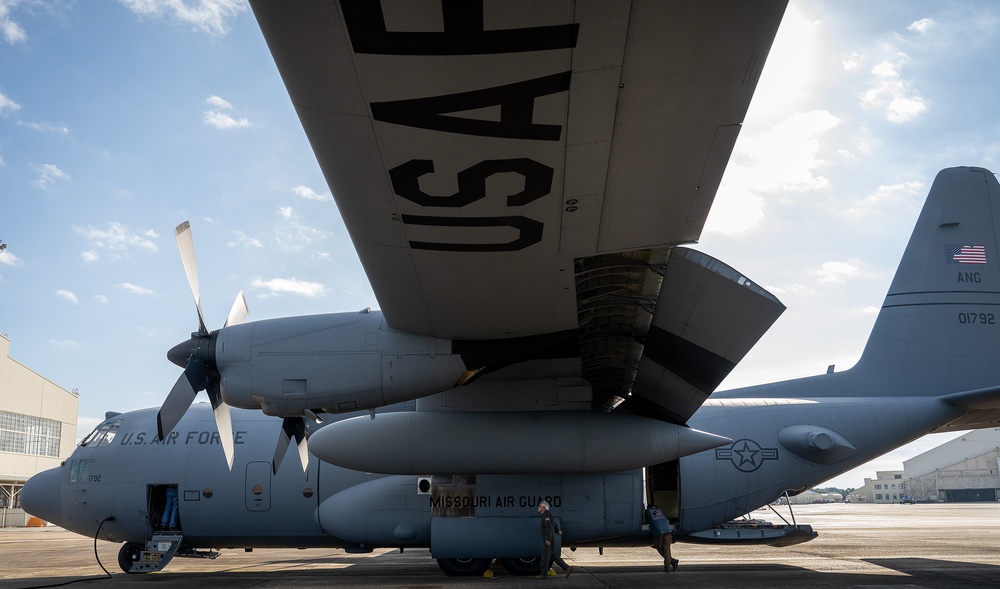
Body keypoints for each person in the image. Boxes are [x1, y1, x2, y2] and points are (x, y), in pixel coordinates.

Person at [537, 500, 572, 578]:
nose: (538, 507)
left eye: (539, 506)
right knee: (553, 556)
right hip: (551, 538)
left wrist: (548, 539)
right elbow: (553, 524)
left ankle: (544, 575)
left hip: (549, 539)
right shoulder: (547, 515)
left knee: (545, 557)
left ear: (543, 507)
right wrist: (558, 529)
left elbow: (549, 528)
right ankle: (567, 568)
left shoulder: (546, 515)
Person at [647, 504, 678, 571]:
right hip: (668, 530)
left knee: (659, 547)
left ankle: (671, 562)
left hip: (658, 531)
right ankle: (668, 565)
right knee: (666, 548)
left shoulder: (648, 511)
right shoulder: (660, 511)